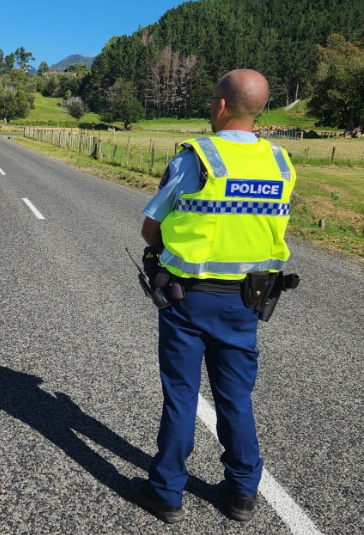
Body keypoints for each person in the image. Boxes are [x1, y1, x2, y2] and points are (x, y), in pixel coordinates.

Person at [129, 69, 296, 524]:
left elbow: (152, 226)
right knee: (236, 398)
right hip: (249, 299)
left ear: (221, 105)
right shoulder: (280, 162)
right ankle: (243, 493)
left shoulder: (195, 156)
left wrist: (159, 252)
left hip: (188, 298)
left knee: (182, 396)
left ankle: (166, 493)